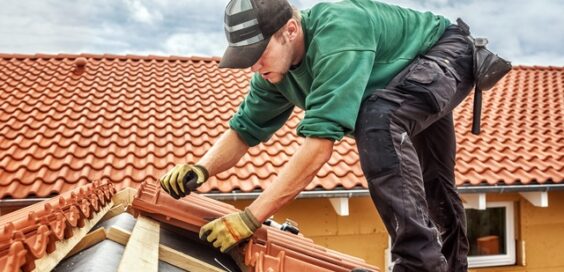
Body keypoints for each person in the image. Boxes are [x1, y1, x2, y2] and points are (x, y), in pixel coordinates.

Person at [160, 0, 478, 271]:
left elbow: (319, 147)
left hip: (446, 52)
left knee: (378, 121)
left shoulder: (338, 33)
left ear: (291, 30)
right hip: (404, 80)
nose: (254, 66)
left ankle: (419, 265)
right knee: (433, 179)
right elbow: (243, 131)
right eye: (247, 58)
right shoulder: (273, 75)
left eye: (259, 52)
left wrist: (249, 218)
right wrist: (201, 168)